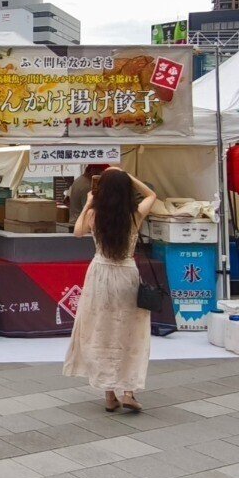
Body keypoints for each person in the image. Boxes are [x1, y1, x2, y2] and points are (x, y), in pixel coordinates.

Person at [65, 168, 160, 411]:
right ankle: (128, 390)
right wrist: (127, 176)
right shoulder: (134, 215)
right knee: (130, 331)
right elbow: (152, 195)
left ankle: (109, 394)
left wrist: (88, 203)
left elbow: (77, 232)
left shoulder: (96, 214)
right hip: (127, 274)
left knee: (102, 330)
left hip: (100, 275)